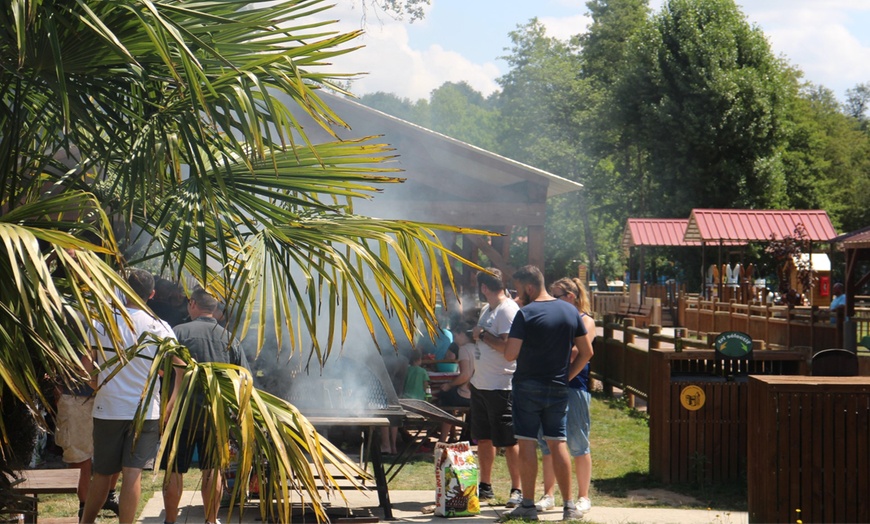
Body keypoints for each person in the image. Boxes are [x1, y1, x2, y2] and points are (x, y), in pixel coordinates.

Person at [80, 268, 184, 524]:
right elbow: (181, 366)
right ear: (152, 294)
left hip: (108, 409)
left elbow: (85, 365)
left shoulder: (101, 321)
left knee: (102, 474)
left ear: (122, 288)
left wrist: (95, 384)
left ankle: (86, 522)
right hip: (146, 411)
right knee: (132, 473)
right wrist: (172, 401)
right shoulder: (160, 327)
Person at [503, 265, 593, 521]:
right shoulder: (569, 310)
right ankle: (569, 506)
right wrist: (566, 377)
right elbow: (587, 352)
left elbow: (510, 353)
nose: (518, 295)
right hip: (557, 387)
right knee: (558, 443)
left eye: (519, 290)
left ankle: (529, 505)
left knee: (527, 442)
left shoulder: (526, 313)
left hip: (528, 386)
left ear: (529, 287)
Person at [162, 288, 251, 524]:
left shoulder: (177, 333)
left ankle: (170, 521)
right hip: (216, 415)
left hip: (180, 413)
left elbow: (160, 370)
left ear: (192, 304)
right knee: (212, 470)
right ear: (215, 310)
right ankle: (211, 521)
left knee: (174, 469)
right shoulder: (228, 338)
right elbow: (244, 379)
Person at [534, 277, 596, 515]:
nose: (551, 300)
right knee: (548, 443)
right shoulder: (557, 319)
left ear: (570, 296)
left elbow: (577, 353)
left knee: (578, 442)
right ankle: (548, 495)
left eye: (556, 295)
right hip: (550, 386)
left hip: (574, 387)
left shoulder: (585, 320)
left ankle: (583, 497)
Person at [470, 268, 523, 508]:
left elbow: (507, 347)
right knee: (484, 439)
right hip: (480, 384)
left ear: (483, 287)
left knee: (510, 441)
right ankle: (485, 486)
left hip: (502, 385)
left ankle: (517, 489)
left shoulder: (508, 309)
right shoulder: (486, 309)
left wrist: (481, 337)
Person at [54, 380, 120, 520]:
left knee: (116, 447)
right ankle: (84, 507)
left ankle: (109, 495)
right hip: (74, 393)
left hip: (114, 394)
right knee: (78, 452)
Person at [436, 323, 475, 443]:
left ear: (462, 334)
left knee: (443, 396)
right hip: (478, 393)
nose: (454, 339)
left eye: (455, 336)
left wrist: (450, 385)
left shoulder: (464, 349)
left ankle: (442, 438)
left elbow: (465, 375)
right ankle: (452, 435)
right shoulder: (478, 347)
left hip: (466, 395)